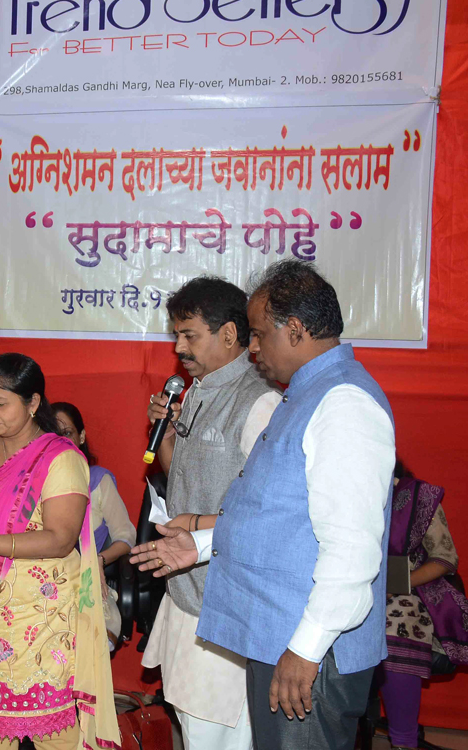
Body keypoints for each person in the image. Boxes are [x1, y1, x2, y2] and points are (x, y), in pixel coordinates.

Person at [132, 260, 395, 750]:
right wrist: (202, 545)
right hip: (282, 641)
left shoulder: (344, 405)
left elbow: (353, 552)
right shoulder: (306, 396)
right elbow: (276, 517)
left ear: (294, 330)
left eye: (257, 334)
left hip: (309, 654)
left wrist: (305, 649)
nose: (251, 349)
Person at [0, 353, 120, 750]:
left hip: (42, 620)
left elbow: (60, 538)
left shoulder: (61, 458)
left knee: (55, 736)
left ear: (33, 402)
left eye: (1, 403)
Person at [138, 277, 280, 749]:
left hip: (227, 601)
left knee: (222, 734)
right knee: (192, 724)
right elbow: (181, 476)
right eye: (175, 335)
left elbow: (269, 512)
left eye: (189, 335)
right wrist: (168, 436)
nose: (178, 347)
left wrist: (199, 528)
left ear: (229, 335)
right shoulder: (195, 391)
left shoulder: (260, 402)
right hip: (185, 590)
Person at [377, 461, 467, 750]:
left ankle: (403, 740)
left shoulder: (417, 497)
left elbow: (444, 558)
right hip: (349, 588)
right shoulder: (342, 493)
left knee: (394, 624)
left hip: (409, 591)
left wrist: (396, 584)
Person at [50, 402, 134, 650]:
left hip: (86, 584)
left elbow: (127, 536)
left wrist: (99, 559)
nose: (61, 443)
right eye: (52, 436)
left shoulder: (98, 480)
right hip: (44, 584)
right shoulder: (34, 485)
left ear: (82, 436)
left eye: (67, 434)